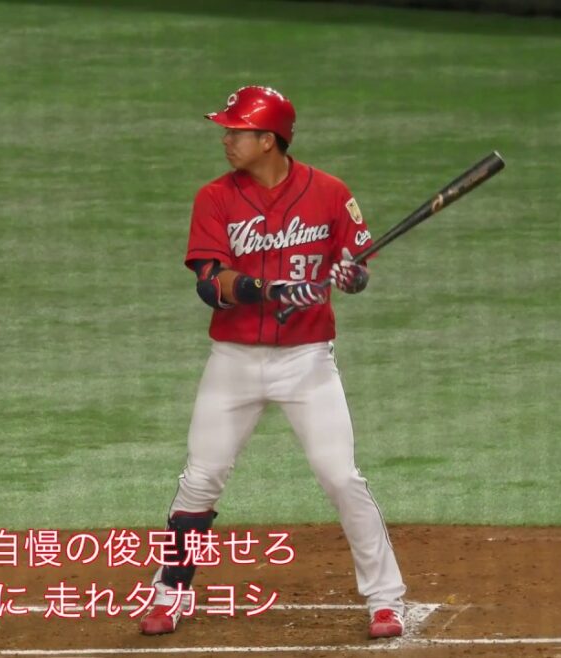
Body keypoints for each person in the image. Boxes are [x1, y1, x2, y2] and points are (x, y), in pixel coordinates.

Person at [137, 85, 407, 639]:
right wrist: (274, 289)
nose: (225, 138)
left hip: (307, 363)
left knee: (341, 476)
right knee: (201, 477)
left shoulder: (330, 193)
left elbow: (357, 269)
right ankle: (170, 592)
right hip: (233, 361)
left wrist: (351, 275)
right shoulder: (214, 198)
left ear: (269, 140)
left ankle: (386, 600)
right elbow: (210, 284)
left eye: (236, 131)